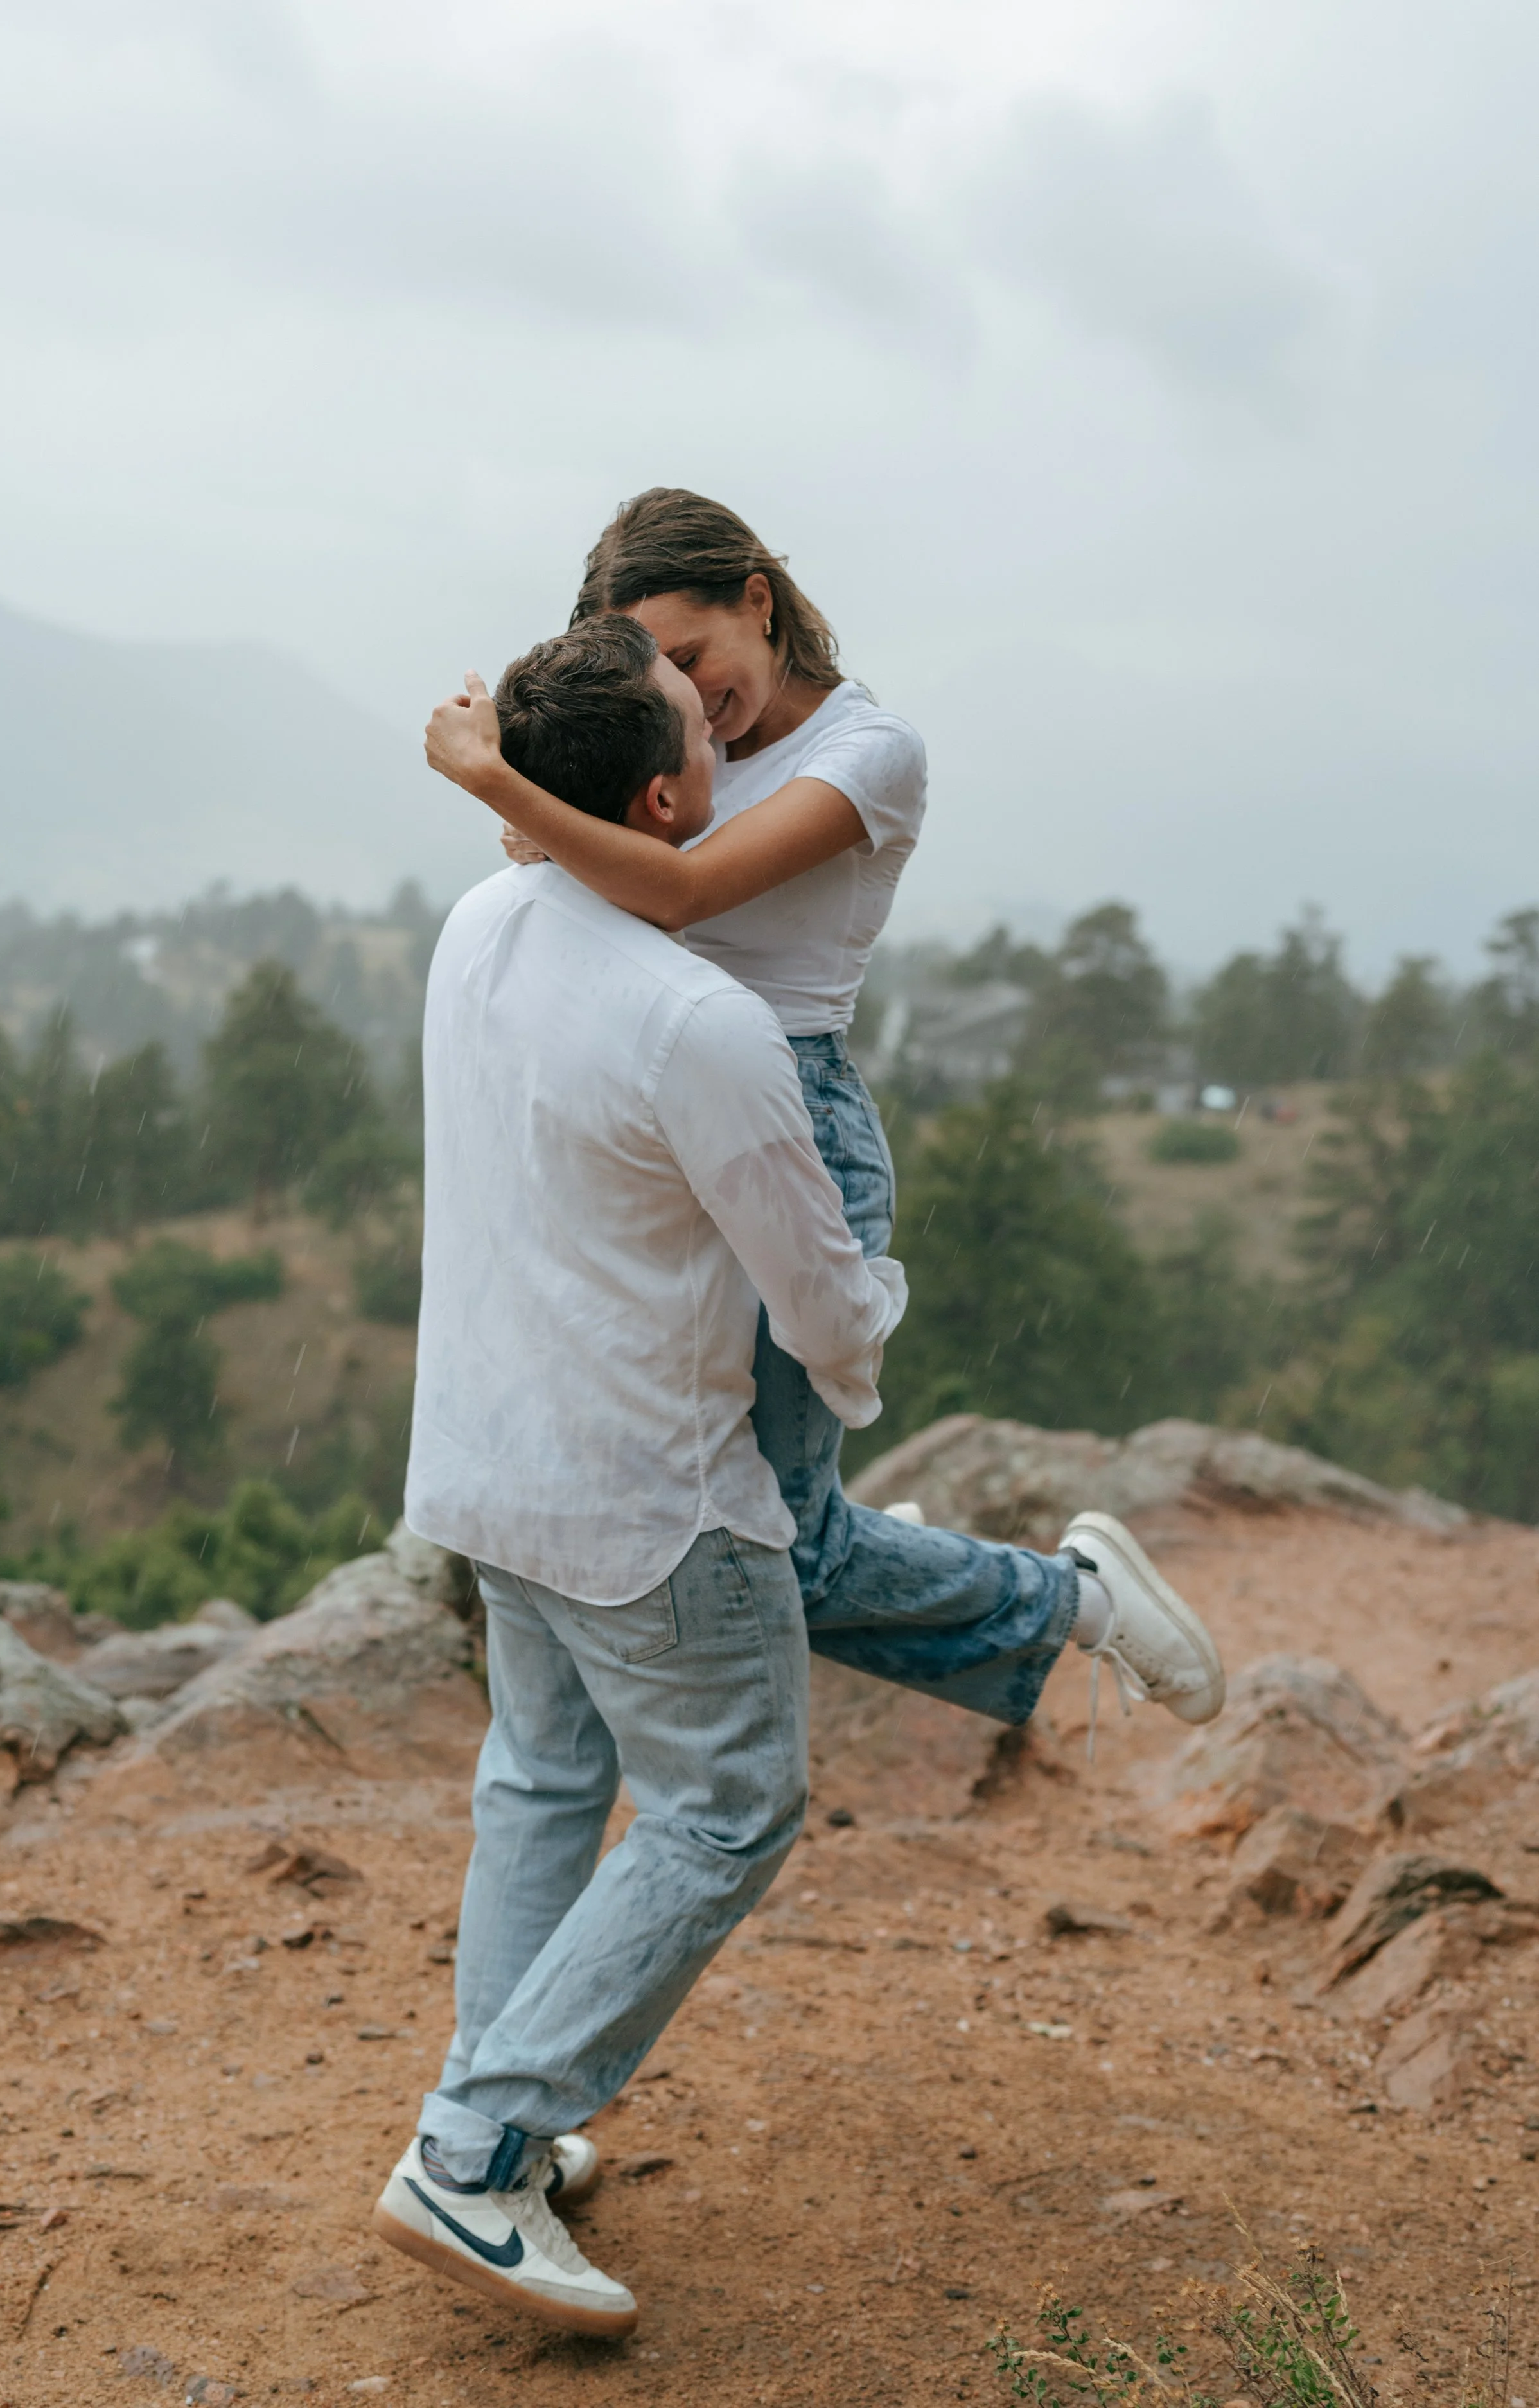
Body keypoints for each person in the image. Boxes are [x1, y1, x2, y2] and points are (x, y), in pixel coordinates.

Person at [381, 614, 1224, 2337]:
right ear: (665, 793)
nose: (730, 738)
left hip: (481, 1462)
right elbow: (821, 1296)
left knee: (543, 1776)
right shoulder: (697, 1021)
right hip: (644, 1494)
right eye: (703, 723)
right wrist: (855, 1361)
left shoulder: (478, 923)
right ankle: (469, 2150)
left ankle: (502, 2120)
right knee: (727, 1803)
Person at [423, 489, 1225, 1737]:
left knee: (775, 1555)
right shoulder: (664, 742)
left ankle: (1071, 1596)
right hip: (653, 1130)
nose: (691, 697)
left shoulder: (868, 752)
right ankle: (859, 1549)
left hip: (788, 1122)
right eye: (659, 676)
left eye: (693, 658)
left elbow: (678, 892)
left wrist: (494, 779)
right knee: (709, 1517)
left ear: (758, 595)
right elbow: (568, 874)